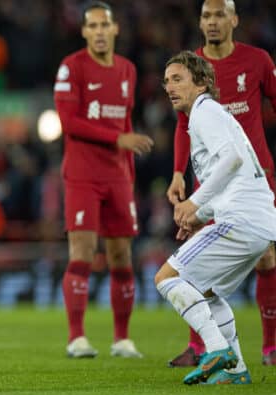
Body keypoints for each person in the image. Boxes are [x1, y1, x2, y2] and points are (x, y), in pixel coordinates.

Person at [166, 0, 276, 367]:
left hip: (241, 202)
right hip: (233, 198)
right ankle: (233, 366)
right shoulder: (201, 114)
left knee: (170, 277)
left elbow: (231, 159)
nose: (169, 87)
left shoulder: (208, 109)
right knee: (206, 284)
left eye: (176, 79)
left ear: (234, 19)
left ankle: (223, 349)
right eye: (166, 81)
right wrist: (191, 195)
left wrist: (195, 204)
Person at [53, 1, 153, 359]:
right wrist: (117, 140)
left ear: (115, 30)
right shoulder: (72, 67)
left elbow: (125, 124)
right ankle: (77, 337)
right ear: (83, 32)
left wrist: (128, 171)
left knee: (122, 255)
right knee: (81, 253)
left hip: (118, 176)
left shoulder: (127, 70)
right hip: (82, 175)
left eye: (103, 25)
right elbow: (68, 121)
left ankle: (122, 339)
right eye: (91, 26)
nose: (98, 31)